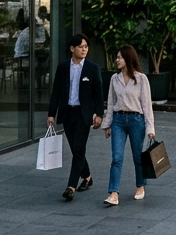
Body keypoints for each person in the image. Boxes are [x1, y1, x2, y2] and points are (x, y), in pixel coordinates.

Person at [48, 33, 104, 201]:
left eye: (86, 46)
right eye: (80, 46)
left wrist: (99, 114)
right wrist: (51, 114)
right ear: (72, 48)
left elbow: (98, 93)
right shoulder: (63, 67)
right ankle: (87, 176)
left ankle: (71, 186)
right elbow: (56, 92)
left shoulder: (92, 68)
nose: (84, 49)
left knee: (79, 148)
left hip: (83, 114)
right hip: (67, 112)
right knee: (75, 149)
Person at [102, 45, 155, 206]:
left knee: (138, 157)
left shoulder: (141, 79)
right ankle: (113, 193)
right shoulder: (114, 79)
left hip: (135, 120)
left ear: (128, 59)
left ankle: (140, 186)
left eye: (120, 57)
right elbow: (110, 103)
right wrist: (107, 123)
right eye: (116, 57)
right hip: (118, 120)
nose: (117, 60)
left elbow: (147, 105)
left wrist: (150, 128)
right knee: (116, 158)